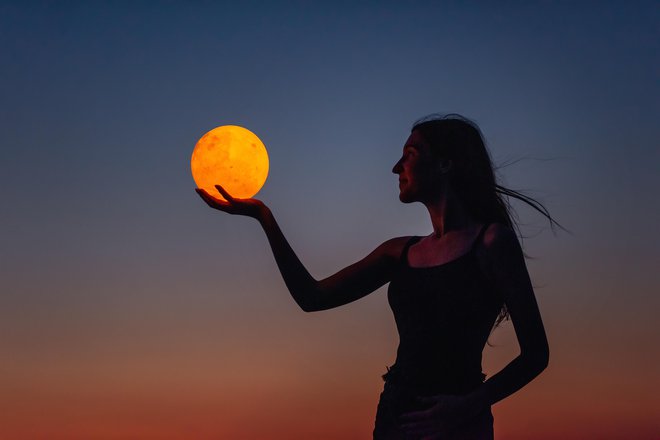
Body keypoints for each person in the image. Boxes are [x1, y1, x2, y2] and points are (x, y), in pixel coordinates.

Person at [196, 114, 552, 439]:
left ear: (445, 163)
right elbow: (312, 297)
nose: (396, 167)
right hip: (395, 419)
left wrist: (468, 406)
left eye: (410, 154)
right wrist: (264, 216)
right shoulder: (398, 253)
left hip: (458, 424)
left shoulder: (491, 243)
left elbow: (536, 354)